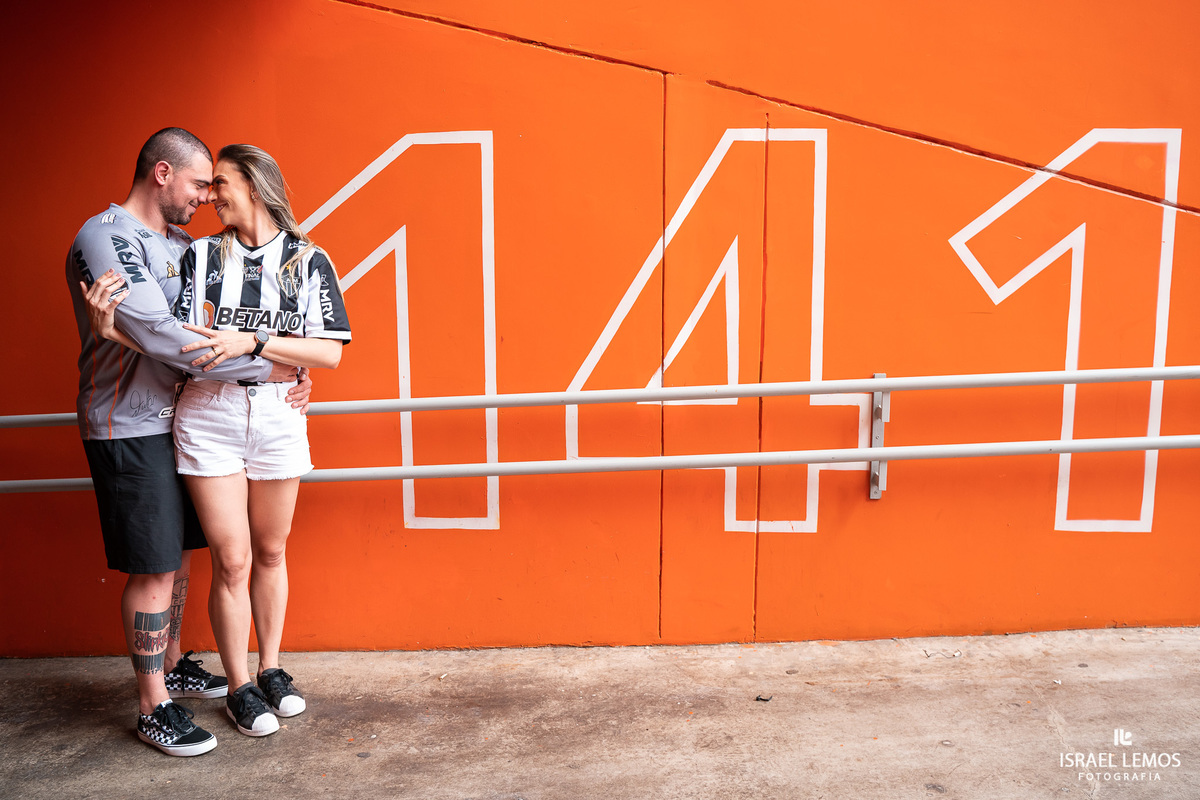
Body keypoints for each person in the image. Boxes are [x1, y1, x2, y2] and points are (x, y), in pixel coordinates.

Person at [66, 127, 311, 756]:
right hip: (129, 422)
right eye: (201, 183)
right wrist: (273, 366)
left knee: (177, 557)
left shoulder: (182, 245)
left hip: (180, 418)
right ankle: (154, 705)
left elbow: (211, 327)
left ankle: (171, 663)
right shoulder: (105, 236)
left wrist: (291, 361)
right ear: (163, 174)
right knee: (152, 567)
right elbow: (164, 336)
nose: (207, 196)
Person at [101, 143, 352, 737]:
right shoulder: (198, 255)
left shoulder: (309, 260)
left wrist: (256, 345)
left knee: (270, 551)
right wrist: (113, 332)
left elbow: (330, 351)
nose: (210, 197)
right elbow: (181, 340)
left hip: (277, 415)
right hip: (208, 414)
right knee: (232, 558)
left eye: (220, 185)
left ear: (257, 187)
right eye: (206, 187)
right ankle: (239, 685)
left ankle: (272, 669)